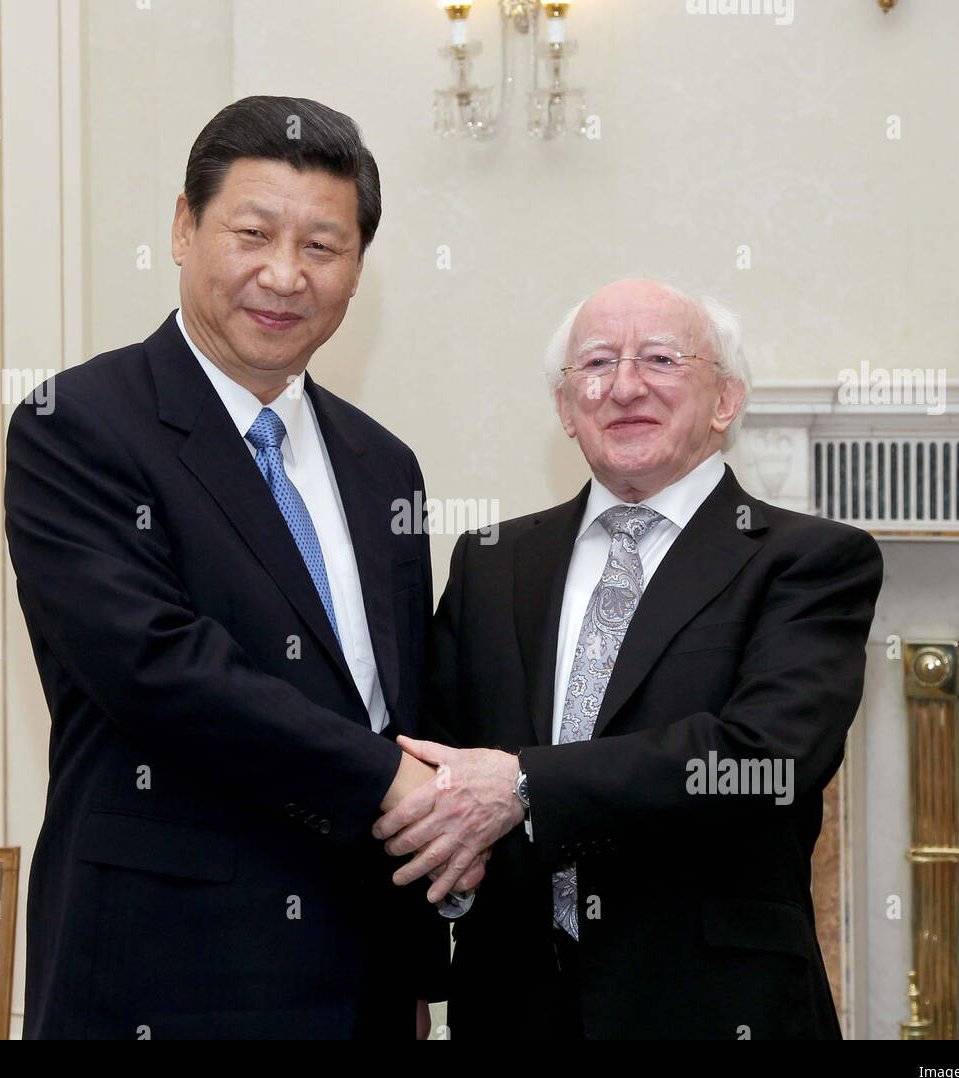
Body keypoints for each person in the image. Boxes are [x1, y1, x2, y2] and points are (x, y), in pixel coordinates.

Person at [5, 95, 451, 1039]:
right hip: (165, 966)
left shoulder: (385, 466)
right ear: (183, 227)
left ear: (359, 267)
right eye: (253, 233)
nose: (284, 275)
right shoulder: (79, 424)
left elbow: (398, 701)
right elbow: (159, 668)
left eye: (323, 248)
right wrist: (387, 780)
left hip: (361, 971)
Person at [375, 278, 884, 1039]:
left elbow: (765, 757)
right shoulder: (489, 562)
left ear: (725, 399)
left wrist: (525, 785)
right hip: (510, 1008)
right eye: (596, 364)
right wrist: (423, 944)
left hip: (714, 1007)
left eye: (661, 359)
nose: (624, 386)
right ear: (565, 408)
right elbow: (430, 768)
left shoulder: (806, 560)